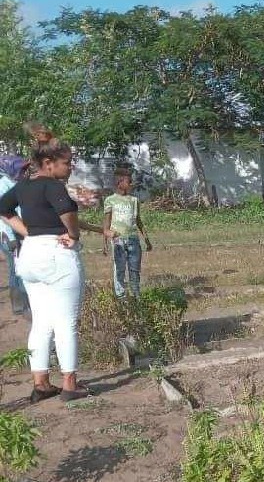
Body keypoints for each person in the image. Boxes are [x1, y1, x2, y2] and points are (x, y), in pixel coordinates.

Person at [0, 131, 113, 403]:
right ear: (49, 162)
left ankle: (41, 384)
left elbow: (3, 208)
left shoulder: (24, 185)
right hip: (56, 255)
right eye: (67, 162)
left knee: (40, 322)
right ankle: (70, 385)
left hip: (30, 255)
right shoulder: (53, 185)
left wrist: (27, 231)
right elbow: (68, 214)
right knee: (65, 322)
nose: (70, 166)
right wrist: (73, 235)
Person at [103, 168, 153, 299]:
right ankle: (121, 298)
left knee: (134, 270)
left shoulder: (134, 200)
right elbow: (107, 224)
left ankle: (136, 296)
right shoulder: (110, 200)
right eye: (129, 181)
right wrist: (105, 243)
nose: (131, 184)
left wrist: (146, 239)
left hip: (133, 240)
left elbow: (138, 221)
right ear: (119, 183)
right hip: (118, 241)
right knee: (119, 270)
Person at [0, 155, 30, 315]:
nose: (24, 172)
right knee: (15, 269)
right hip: (9, 236)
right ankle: (19, 304)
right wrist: (10, 238)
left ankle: (25, 302)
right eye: (22, 169)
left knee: (22, 266)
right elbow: (3, 216)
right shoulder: (2, 185)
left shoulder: (16, 183)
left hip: (20, 233)